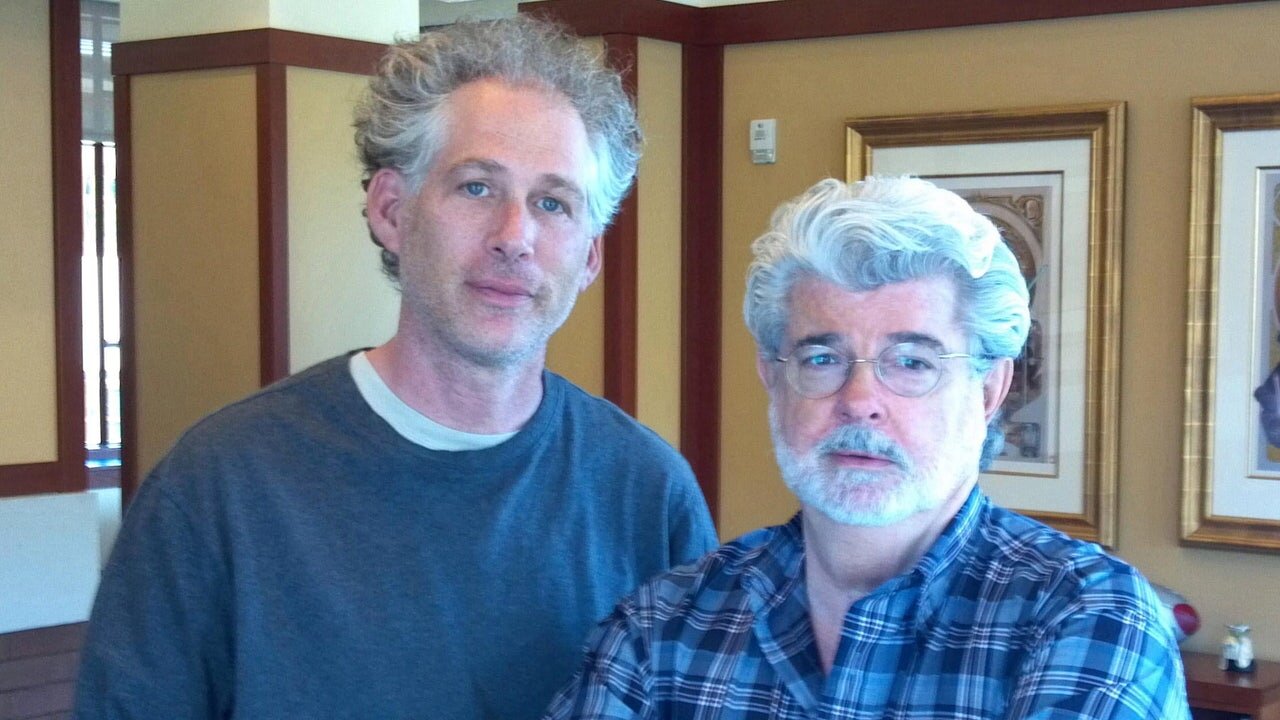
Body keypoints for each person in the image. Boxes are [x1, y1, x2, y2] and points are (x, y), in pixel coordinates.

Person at [74, 16, 717, 720]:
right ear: (390, 210)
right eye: (476, 188)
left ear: (589, 256)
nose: (515, 237)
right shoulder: (221, 486)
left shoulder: (648, 495)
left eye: (553, 203)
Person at [544, 177, 1189, 719]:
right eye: (822, 358)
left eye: (911, 362)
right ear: (773, 377)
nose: (859, 400)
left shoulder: (1085, 617)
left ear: (989, 389)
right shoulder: (665, 626)